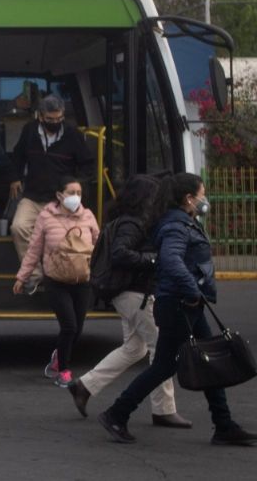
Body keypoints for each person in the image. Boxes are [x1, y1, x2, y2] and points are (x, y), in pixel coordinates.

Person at [98, 173, 257, 446]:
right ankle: (117, 412)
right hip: (179, 304)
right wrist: (192, 290)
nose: (204, 199)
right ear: (188, 199)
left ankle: (223, 423)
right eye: (202, 194)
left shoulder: (181, 221)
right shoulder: (175, 226)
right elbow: (171, 260)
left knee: (206, 356)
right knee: (164, 365)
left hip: (185, 303)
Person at [67, 175, 191, 428]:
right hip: (136, 294)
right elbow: (121, 254)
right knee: (161, 348)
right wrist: (154, 260)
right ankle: (164, 410)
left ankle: (84, 386)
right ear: (145, 198)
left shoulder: (121, 220)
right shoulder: (133, 224)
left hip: (125, 294)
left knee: (135, 348)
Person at [13, 176, 99, 388]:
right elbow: (33, 249)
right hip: (56, 280)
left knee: (78, 327)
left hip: (82, 280)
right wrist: (22, 277)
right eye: (71, 193)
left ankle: (58, 358)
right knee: (68, 326)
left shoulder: (88, 216)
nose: (75, 197)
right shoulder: (46, 216)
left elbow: (99, 245)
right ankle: (64, 371)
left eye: (78, 193)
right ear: (60, 195)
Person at [10, 95, 94, 293]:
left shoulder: (73, 134)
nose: (55, 123)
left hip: (60, 200)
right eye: (50, 120)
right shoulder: (29, 131)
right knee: (18, 227)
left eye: (59, 119)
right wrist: (14, 178)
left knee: (63, 235)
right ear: (41, 116)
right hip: (32, 195)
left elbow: (88, 165)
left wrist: (74, 187)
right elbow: (18, 155)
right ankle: (35, 276)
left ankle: (61, 274)